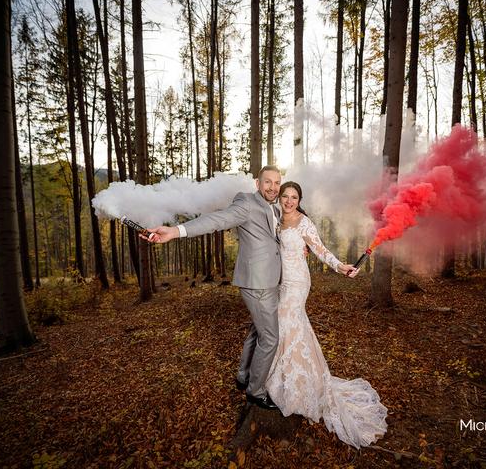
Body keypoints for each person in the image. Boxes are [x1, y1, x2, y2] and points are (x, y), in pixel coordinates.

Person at [143, 166, 293, 409]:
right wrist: (176, 231)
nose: (273, 187)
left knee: (258, 331)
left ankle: (243, 376)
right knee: (271, 338)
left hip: (270, 280)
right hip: (257, 283)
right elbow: (216, 220)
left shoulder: (274, 208)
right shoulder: (246, 203)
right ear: (257, 183)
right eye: (268, 182)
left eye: (277, 183)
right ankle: (256, 391)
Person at [264, 181, 388, 448]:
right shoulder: (275, 218)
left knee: (287, 323)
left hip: (297, 282)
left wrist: (340, 266)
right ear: (279, 198)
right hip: (279, 282)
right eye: (285, 196)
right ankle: (293, 377)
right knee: (290, 328)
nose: (289, 201)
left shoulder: (304, 223)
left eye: (294, 197)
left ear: (299, 200)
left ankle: (295, 386)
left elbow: (320, 250)